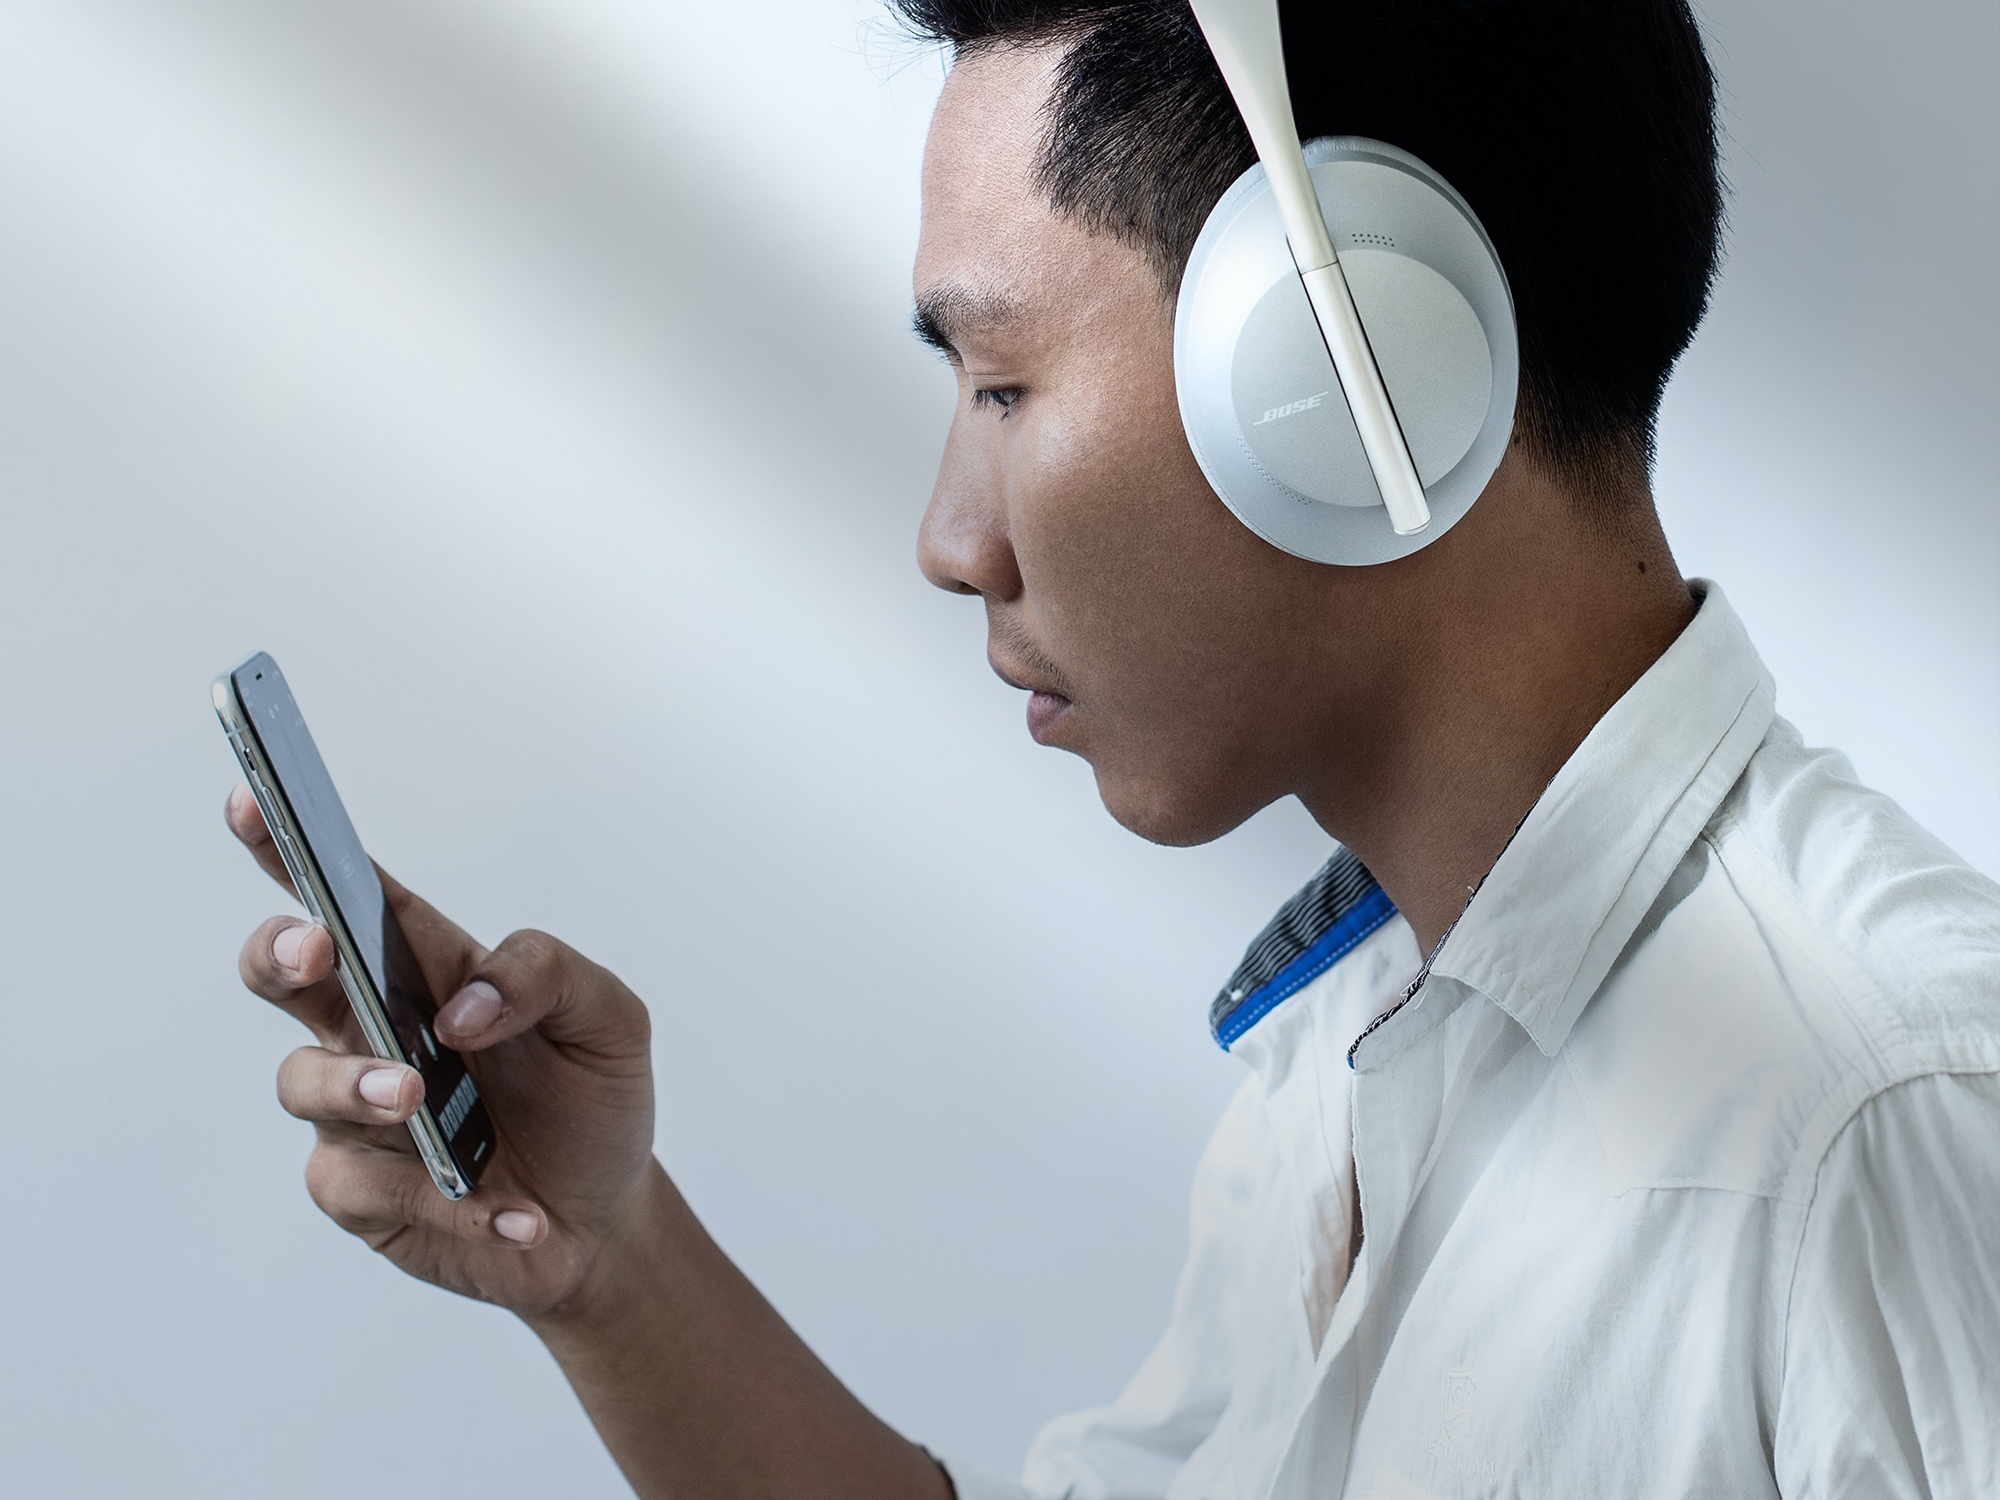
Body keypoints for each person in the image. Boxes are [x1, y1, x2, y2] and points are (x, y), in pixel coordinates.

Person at [222, 3, 2000, 1496]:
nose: (951, 539)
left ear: (1359, 368)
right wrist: (608, 1266)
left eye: (1001, 386)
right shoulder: (1365, 1042)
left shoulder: (1888, 1123)